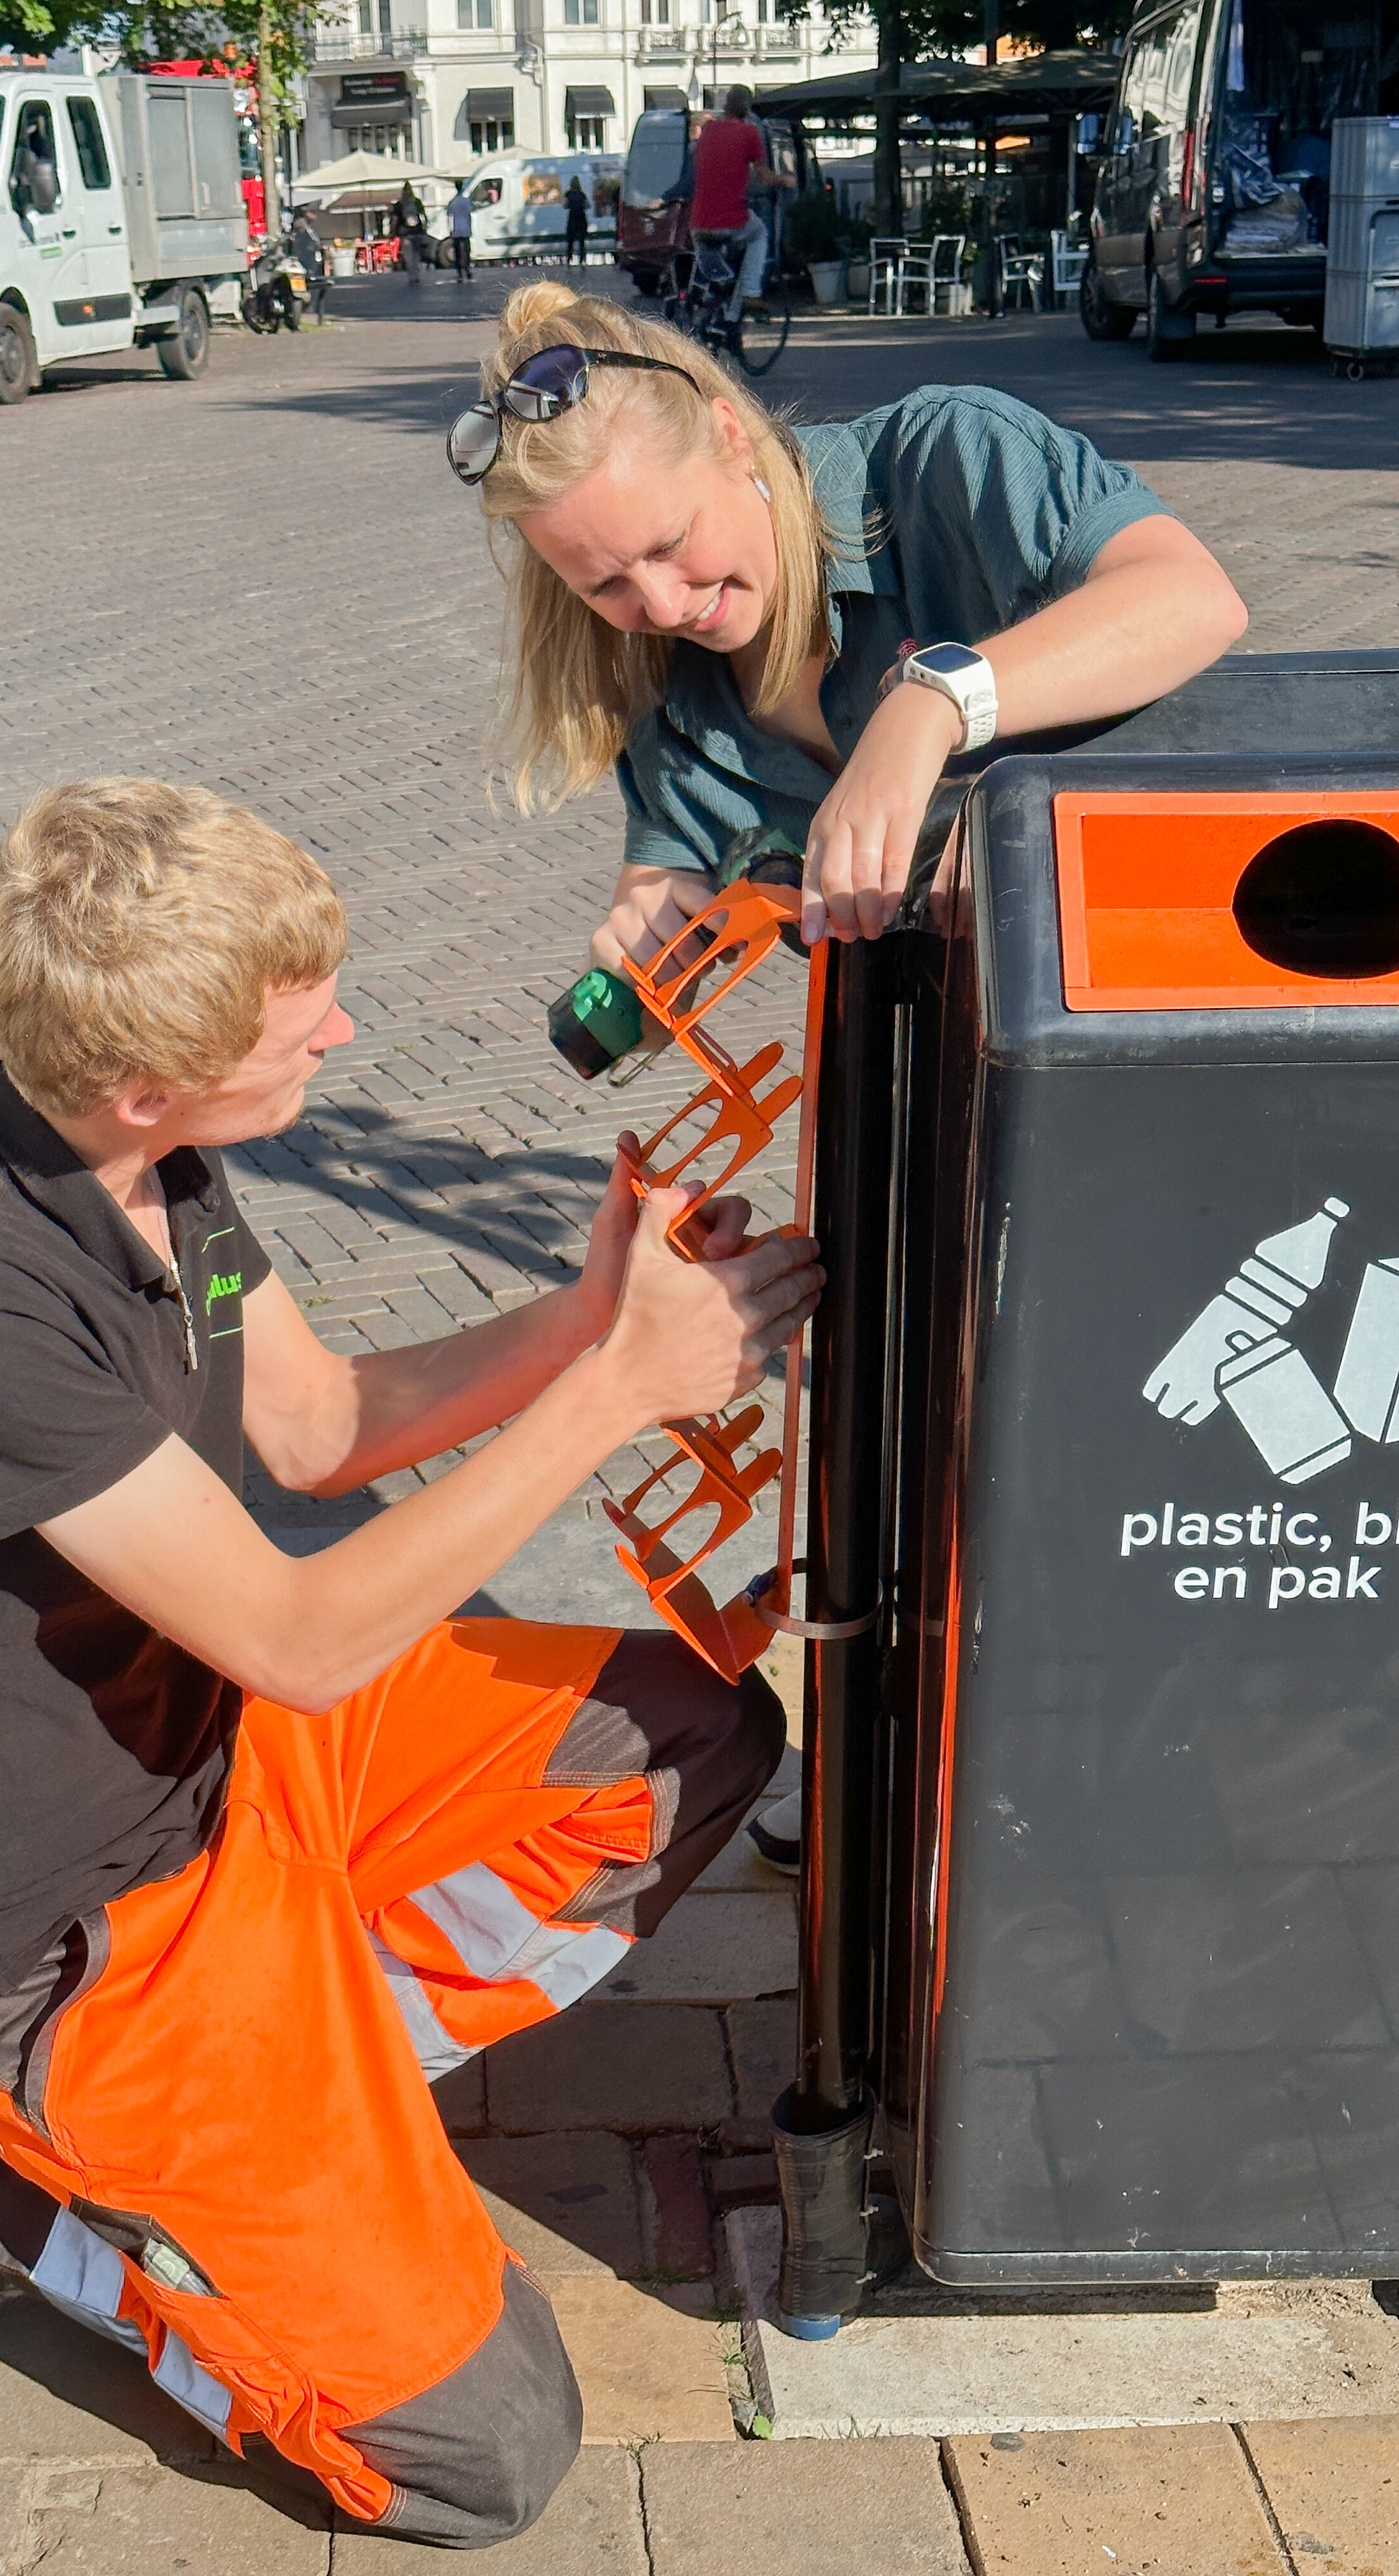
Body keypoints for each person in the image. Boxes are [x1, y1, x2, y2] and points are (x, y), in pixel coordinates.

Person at [0, 779, 815, 2544]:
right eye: (298, 1027)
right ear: (143, 1081)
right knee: (482, 2457)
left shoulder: (144, 1159)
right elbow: (301, 1631)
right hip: (70, 1940)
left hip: (239, 1777)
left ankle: (310, 2081)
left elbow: (329, 1426)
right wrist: (619, 1388)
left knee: (689, 1734)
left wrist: (584, 1313)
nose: (344, 1028)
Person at [447, 280, 1249, 1864]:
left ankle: (1141, 1777)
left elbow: (1192, 600)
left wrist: (932, 704)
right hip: (923, 1112)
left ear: (740, 441)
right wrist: (647, 908)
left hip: (1147, 1079)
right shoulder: (676, 703)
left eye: (674, 546)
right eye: (605, 586)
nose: (666, 602)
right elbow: (682, 872)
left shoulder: (945, 463)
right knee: (888, 1420)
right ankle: (898, 1762)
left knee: (1134, 1437)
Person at [687, 86, 782, 339]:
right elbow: (765, 176)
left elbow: (700, 166)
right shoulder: (749, 133)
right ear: (747, 109)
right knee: (759, 235)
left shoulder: (707, 131)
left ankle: (711, 304)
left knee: (717, 267)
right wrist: (787, 181)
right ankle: (746, 297)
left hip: (699, 222)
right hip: (731, 218)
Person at [291, 202, 328, 321]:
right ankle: (305, 306)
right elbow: (307, 241)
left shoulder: (305, 225)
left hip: (309, 257)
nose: (315, 216)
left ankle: (306, 305)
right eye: (313, 213)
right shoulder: (301, 225)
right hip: (305, 258)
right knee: (308, 280)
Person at [393, 177, 427, 280]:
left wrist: (394, 232)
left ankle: (412, 275)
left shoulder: (399, 205)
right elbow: (424, 216)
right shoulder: (417, 202)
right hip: (417, 232)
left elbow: (395, 220)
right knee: (416, 254)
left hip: (405, 233)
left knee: (408, 256)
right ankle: (417, 274)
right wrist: (425, 229)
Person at [447, 176, 474, 282]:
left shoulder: (453, 202)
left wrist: (450, 230)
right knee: (467, 251)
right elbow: (469, 215)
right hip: (465, 228)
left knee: (458, 252)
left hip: (456, 229)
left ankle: (460, 272)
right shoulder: (466, 201)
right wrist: (470, 227)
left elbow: (449, 217)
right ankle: (467, 270)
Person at [563, 172, 589, 268]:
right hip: (581, 217)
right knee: (582, 240)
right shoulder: (582, 194)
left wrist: (571, 205)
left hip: (572, 217)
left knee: (570, 240)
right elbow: (588, 205)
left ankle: (569, 259)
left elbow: (565, 205)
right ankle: (582, 259)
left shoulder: (568, 194)